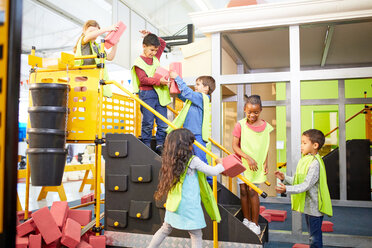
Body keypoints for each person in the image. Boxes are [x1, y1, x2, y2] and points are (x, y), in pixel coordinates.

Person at [148, 128, 225, 248]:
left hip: (175, 204)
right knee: (196, 234)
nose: (192, 145)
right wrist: (221, 163)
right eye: (191, 143)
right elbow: (213, 172)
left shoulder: (169, 160)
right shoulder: (193, 160)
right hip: (189, 206)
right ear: (185, 145)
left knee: (165, 229)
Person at [275, 129, 333, 248]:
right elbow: (299, 181)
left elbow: (306, 185)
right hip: (309, 207)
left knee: (315, 238)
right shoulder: (306, 159)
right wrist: (284, 178)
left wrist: (286, 189)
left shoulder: (315, 163)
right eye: (301, 142)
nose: (301, 145)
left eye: (304, 143)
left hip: (315, 208)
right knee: (312, 235)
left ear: (315, 145)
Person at [232, 95, 273, 235]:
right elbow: (234, 146)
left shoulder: (266, 127)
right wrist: (248, 158)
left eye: (255, 112)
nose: (252, 115)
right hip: (242, 162)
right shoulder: (240, 125)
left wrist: (266, 163)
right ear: (244, 110)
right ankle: (247, 220)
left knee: (253, 192)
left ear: (260, 110)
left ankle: (255, 224)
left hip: (256, 166)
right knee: (243, 191)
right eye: (249, 112)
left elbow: (265, 147)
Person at [168, 72, 215, 182]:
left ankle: (209, 182)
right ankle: (198, 181)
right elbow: (183, 96)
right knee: (189, 159)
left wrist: (178, 79)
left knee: (200, 158)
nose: (195, 86)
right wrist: (173, 86)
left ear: (206, 88)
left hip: (196, 135)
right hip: (188, 135)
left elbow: (188, 93)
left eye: (198, 84)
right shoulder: (195, 99)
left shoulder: (202, 97)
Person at [131, 30, 171, 154]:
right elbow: (143, 80)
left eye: (155, 50)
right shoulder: (139, 62)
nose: (154, 53)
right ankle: (147, 145)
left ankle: (160, 144)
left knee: (163, 122)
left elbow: (163, 43)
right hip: (147, 94)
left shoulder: (155, 57)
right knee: (148, 122)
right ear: (144, 46)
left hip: (160, 94)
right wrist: (159, 81)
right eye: (151, 50)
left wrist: (150, 34)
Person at [73, 20, 120, 98]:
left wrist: (115, 44)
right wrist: (106, 29)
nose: (93, 33)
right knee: (78, 100)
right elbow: (89, 36)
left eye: (96, 31)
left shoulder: (98, 47)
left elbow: (110, 57)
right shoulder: (83, 41)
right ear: (84, 31)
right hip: (80, 77)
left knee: (88, 101)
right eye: (91, 31)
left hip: (91, 79)